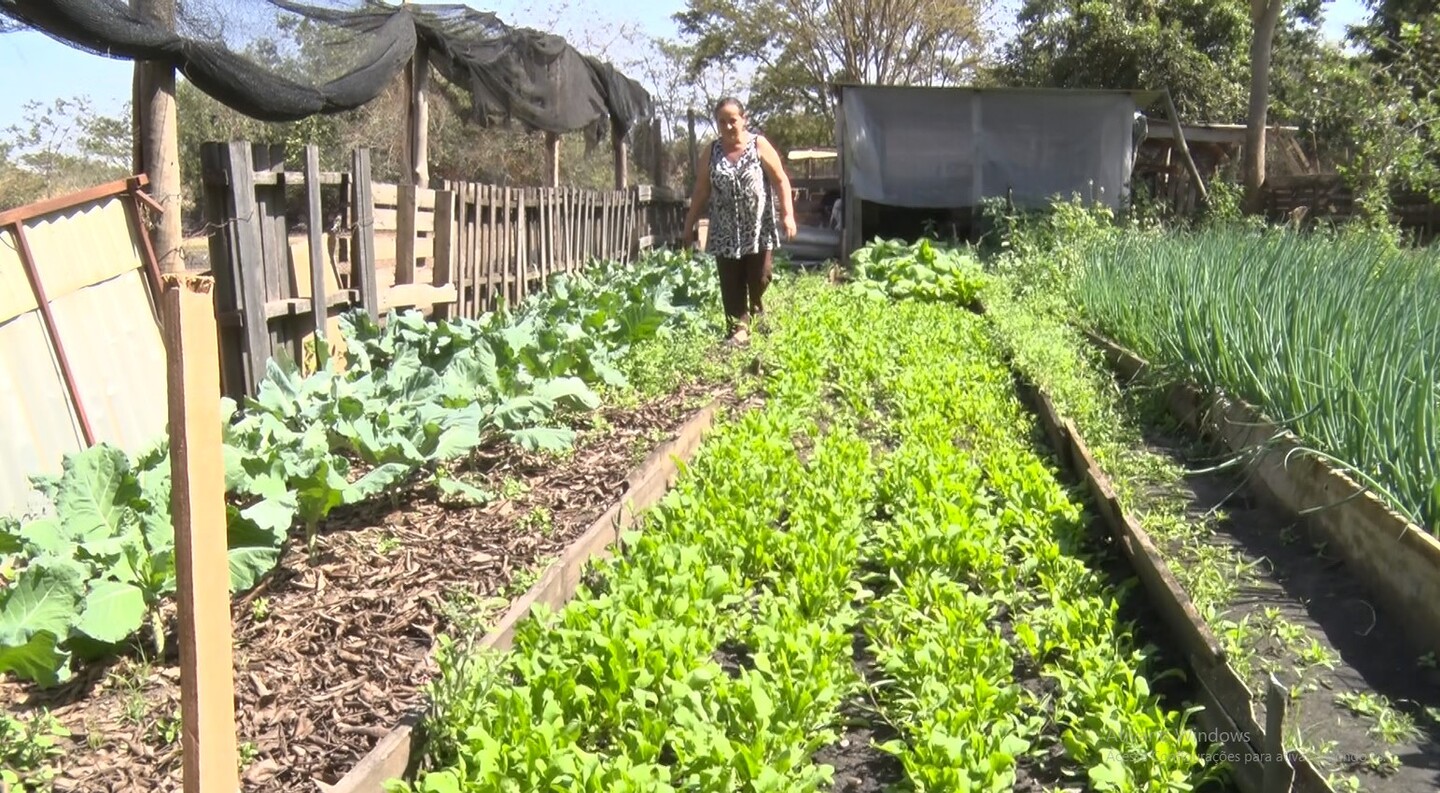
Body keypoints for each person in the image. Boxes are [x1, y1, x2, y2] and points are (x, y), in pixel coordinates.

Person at [683, 97, 797, 343]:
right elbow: (702, 189)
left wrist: (788, 214)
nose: (727, 126)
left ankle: (756, 308)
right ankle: (739, 328)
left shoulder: (759, 145)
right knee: (731, 280)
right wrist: (689, 221)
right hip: (724, 229)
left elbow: (780, 180)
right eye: (721, 122)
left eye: (732, 120)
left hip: (758, 228)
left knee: (761, 276)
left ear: (743, 120)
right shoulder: (711, 152)